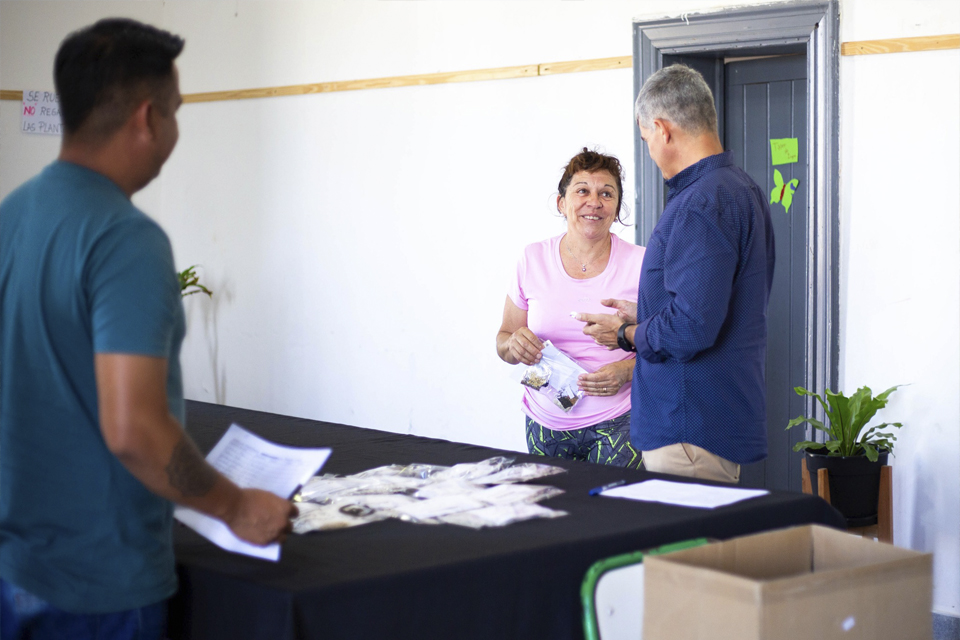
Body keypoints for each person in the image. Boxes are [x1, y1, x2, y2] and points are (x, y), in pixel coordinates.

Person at [0, 19, 296, 639]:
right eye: (176, 111)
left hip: (16, 565)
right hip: (98, 586)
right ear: (145, 118)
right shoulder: (124, 238)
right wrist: (236, 505)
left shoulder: (14, 214)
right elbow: (134, 427)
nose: (175, 129)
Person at [577, 64, 775, 483]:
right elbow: (711, 305)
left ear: (663, 130)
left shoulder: (701, 203)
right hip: (708, 421)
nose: (649, 150)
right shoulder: (741, 190)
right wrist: (644, 312)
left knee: (683, 551)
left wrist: (624, 334)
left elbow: (690, 328)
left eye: (647, 138)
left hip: (688, 429)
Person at [496, 148, 645, 468]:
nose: (594, 201)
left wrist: (627, 371)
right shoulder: (531, 258)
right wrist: (513, 344)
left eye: (606, 193)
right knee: (554, 515)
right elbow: (503, 341)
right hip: (544, 421)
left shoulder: (642, 264)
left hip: (620, 421)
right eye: (582, 191)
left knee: (614, 515)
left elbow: (668, 346)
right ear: (561, 203)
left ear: (617, 206)